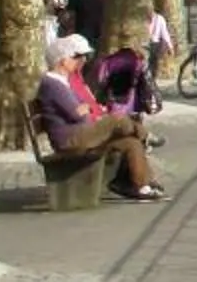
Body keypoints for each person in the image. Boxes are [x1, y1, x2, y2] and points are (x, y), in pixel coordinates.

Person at [38, 34, 166, 201]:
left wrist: (87, 109)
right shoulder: (52, 84)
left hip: (81, 133)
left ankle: (143, 185)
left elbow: (83, 109)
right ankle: (145, 136)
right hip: (72, 139)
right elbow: (76, 113)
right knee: (117, 119)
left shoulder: (63, 82)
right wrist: (88, 109)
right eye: (76, 57)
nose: (81, 61)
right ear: (62, 60)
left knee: (131, 143)